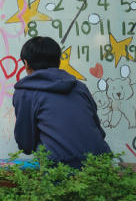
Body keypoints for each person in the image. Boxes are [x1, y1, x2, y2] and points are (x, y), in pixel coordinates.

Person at [13, 36, 110, 167]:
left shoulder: (26, 92)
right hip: (101, 164)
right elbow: (98, 130)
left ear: (26, 63)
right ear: (58, 61)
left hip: (61, 169)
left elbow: (26, 144)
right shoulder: (79, 87)